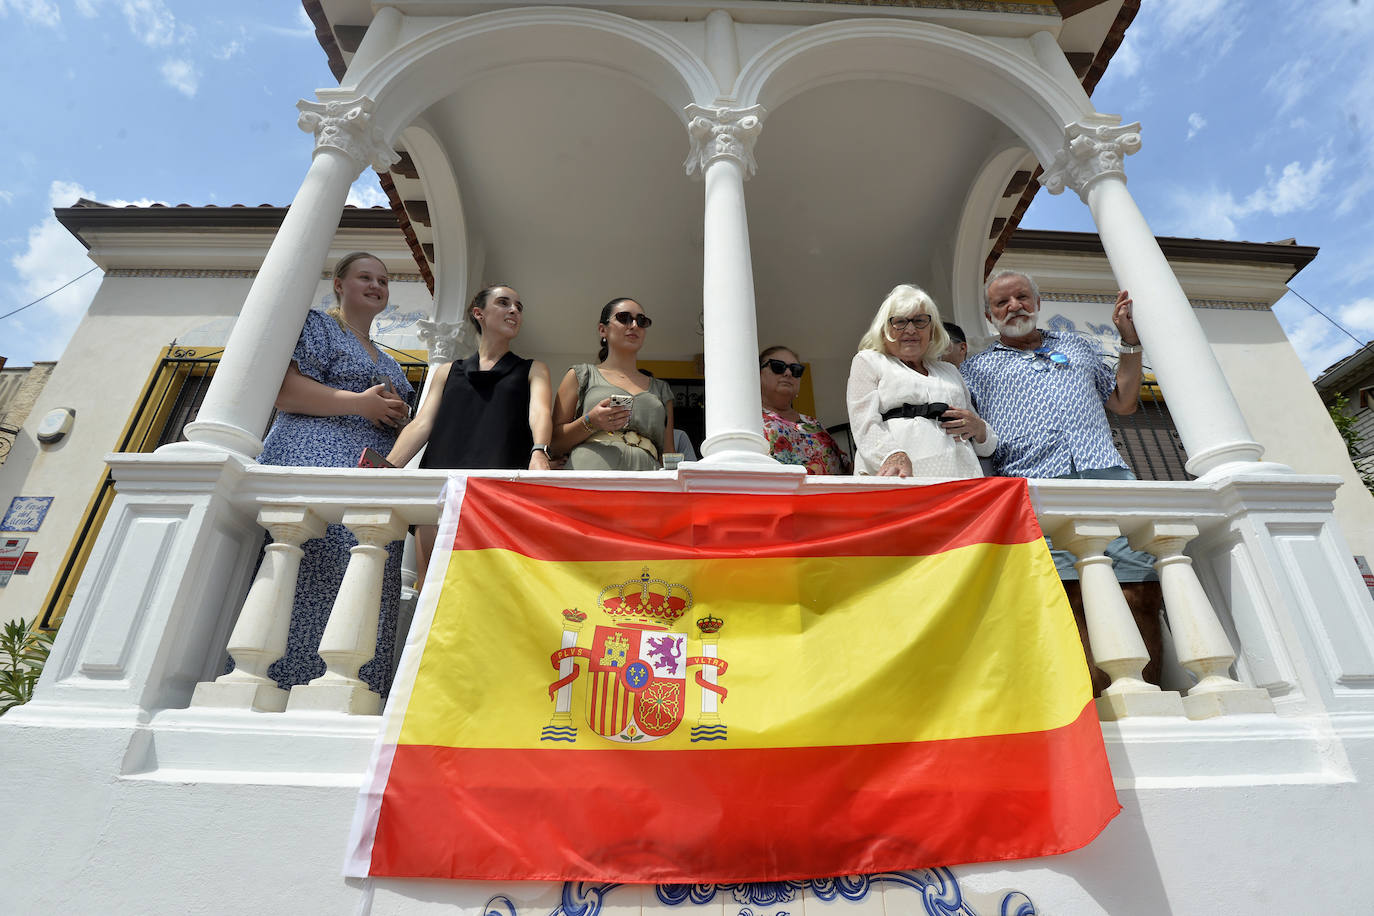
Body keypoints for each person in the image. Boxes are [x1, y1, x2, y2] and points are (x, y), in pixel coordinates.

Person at [960, 268, 1161, 693]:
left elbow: (1124, 402)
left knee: (1139, 589)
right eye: (1002, 302)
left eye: (1021, 297)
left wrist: (1129, 340)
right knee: (1069, 600)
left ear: (1038, 301)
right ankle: (1094, 707)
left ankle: (1152, 698)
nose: (1014, 306)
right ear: (989, 314)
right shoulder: (975, 370)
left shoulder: (1078, 346)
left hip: (1105, 478)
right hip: (1035, 489)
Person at [257, 251, 414, 697]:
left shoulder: (391, 363)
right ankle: (286, 686)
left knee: (361, 578)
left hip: (367, 479)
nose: (376, 285)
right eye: (365, 276)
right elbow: (284, 391)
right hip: (314, 460)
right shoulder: (318, 327)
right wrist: (359, 403)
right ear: (339, 284)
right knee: (309, 571)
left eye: (383, 280)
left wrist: (394, 416)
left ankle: (348, 693)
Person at [387, 284, 553, 583]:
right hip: (439, 489)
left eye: (518, 306)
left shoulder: (533, 369)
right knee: (430, 585)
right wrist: (386, 469)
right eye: (503, 303)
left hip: (498, 491)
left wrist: (539, 450)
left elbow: (540, 413)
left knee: (485, 586)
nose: (514, 310)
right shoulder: (447, 371)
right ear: (479, 313)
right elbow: (422, 424)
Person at [846, 284, 995, 478]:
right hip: (899, 480)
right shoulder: (869, 361)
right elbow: (863, 424)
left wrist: (979, 428)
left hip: (961, 479)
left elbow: (986, 446)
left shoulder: (949, 371)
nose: (910, 330)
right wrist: (892, 456)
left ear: (932, 330)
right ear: (884, 329)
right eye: (899, 322)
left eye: (920, 321)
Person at [552, 298, 674, 470]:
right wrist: (590, 422)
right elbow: (554, 443)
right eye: (624, 318)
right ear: (603, 330)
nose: (634, 325)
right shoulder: (581, 375)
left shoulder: (662, 390)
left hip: (648, 477)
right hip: (590, 470)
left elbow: (668, 454)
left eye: (641, 321)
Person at [759, 345, 850, 475]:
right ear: (758, 374)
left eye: (796, 370)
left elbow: (846, 467)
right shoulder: (752, 423)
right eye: (778, 366)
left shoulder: (813, 423)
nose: (788, 373)